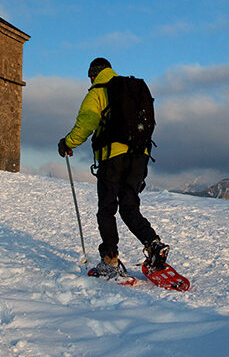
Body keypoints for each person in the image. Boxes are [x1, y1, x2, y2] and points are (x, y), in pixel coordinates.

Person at [59, 57, 169, 279]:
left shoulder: (99, 91)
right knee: (129, 207)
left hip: (113, 158)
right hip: (140, 156)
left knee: (107, 208)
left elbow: (86, 123)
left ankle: (110, 260)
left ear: (93, 74)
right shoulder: (131, 90)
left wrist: (67, 143)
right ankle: (154, 245)